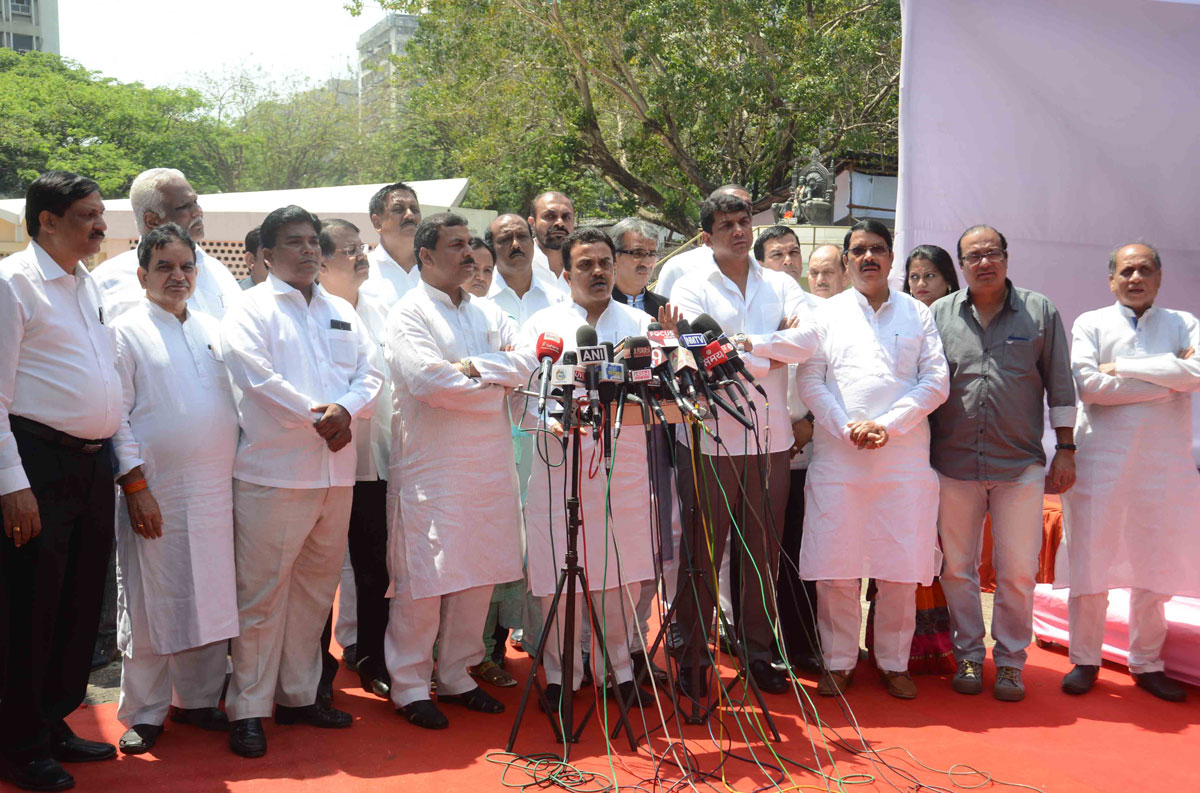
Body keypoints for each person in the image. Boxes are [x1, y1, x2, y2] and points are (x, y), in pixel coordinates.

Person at [220, 205, 382, 757]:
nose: (310, 250)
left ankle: (297, 697)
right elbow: (257, 378)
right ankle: (247, 708)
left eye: (314, 241)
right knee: (261, 597)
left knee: (315, 594)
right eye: (295, 242)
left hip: (335, 474)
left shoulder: (340, 309)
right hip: (274, 474)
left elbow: (372, 371)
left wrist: (346, 408)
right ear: (266, 254)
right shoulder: (249, 308)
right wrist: (322, 417)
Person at [383, 213, 536, 730]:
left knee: (476, 576)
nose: (470, 255)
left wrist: (476, 370)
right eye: (456, 247)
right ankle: (408, 683)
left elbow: (529, 362)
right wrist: (495, 384)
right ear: (425, 256)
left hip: (488, 469)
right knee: (424, 580)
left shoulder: (486, 312)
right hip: (432, 471)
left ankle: (456, 674)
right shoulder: (407, 314)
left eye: (470, 245)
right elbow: (432, 384)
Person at [788, 220, 950, 699]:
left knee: (899, 568)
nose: (868, 258)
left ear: (891, 254)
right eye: (858, 251)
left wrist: (889, 424)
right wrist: (845, 427)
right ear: (846, 260)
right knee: (837, 568)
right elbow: (810, 381)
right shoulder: (827, 314)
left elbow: (936, 381)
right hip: (840, 459)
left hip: (901, 462)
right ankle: (838, 661)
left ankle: (893, 662)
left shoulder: (916, 315)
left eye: (877, 249)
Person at [668, 192, 817, 699]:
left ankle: (758, 652)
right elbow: (699, 356)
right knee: (703, 552)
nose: (739, 230)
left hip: (771, 437)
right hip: (710, 438)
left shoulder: (779, 282)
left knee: (762, 551)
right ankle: (691, 654)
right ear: (706, 236)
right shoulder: (690, 286)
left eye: (744, 221)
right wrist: (773, 349)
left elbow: (810, 341)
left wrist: (746, 344)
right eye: (727, 224)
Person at [1, 171, 122, 791]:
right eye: (88, 214)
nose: (102, 224)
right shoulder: (12, 284)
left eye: (101, 213)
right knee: (30, 610)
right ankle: (19, 744)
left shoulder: (84, 284)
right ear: (47, 219)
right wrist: (10, 482)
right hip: (35, 465)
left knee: (77, 605)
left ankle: (51, 724)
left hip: (91, 464)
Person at [930, 224, 1077, 702]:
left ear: (1007, 258)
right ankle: (970, 654)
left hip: (1020, 465)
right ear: (962, 265)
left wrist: (1067, 449)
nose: (983, 262)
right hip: (953, 464)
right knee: (957, 568)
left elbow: (1060, 385)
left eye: (991, 253)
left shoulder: (1039, 311)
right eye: (972, 256)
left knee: (1016, 570)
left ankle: (1011, 662)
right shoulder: (938, 315)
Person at [109, 224, 240, 755]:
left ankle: (200, 700)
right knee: (149, 602)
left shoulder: (213, 328)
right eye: (164, 267)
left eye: (186, 266)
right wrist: (134, 484)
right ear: (143, 275)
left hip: (215, 490)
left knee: (210, 595)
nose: (177, 276)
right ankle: (145, 711)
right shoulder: (124, 331)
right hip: (154, 490)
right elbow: (113, 415)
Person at [522, 227, 658, 712]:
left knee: (621, 574)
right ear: (565, 273)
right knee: (560, 567)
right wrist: (556, 420)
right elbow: (529, 393)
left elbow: (658, 398)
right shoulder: (544, 324)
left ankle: (617, 670)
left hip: (622, 464)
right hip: (560, 467)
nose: (598, 272)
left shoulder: (640, 324)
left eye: (605, 262)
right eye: (586, 264)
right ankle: (561, 673)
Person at [1058, 242, 1198, 703]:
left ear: (1159, 276)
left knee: (1154, 562)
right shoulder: (1090, 323)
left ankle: (1148, 662)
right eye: (1126, 271)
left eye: (1144, 270)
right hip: (1102, 461)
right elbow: (1091, 387)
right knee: (1091, 559)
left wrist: (1128, 369)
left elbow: (1196, 373)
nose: (1135, 278)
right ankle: (1085, 659)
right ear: (1111, 279)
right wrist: (1167, 380)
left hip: (1164, 464)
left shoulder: (1184, 323)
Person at [315, 219, 395, 701]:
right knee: (319, 572)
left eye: (361, 246)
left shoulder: (384, 307)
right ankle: (313, 671)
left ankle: (372, 657)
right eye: (348, 250)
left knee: (375, 569)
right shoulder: (314, 312)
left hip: (378, 459)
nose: (361, 254)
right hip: (325, 458)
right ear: (322, 262)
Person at [607, 217, 672, 686]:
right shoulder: (594, 305)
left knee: (652, 547)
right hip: (600, 448)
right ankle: (596, 651)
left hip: (656, 444)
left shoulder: (665, 310)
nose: (646, 261)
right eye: (636, 253)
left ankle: (634, 644)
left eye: (652, 253)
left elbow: (675, 377)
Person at [91, 168, 241, 320]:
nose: (197, 211)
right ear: (152, 220)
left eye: (195, 202)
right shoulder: (107, 281)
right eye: (184, 206)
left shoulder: (217, 271)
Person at [653, 184, 753, 298]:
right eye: (729, 204)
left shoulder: (765, 271)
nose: (738, 209)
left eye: (747, 207)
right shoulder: (680, 267)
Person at [486, 213, 567, 325]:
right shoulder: (479, 300)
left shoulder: (558, 301)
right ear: (491, 249)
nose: (515, 245)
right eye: (505, 239)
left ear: (532, 243)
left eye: (522, 237)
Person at [361, 181, 422, 306]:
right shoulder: (361, 273)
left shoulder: (439, 269)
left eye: (414, 209)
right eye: (399, 209)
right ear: (377, 222)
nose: (410, 215)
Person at [610, 217, 668, 315]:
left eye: (652, 254)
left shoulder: (665, 309)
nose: (647, 263)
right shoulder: (597, 306)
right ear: (614, 257)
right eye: (638, 253)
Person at [528, 190, 575, 288]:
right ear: (532, 222)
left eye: (566, 217)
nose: (560, 223)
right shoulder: (519, 265)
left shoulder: (585, 265)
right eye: (550, 216)